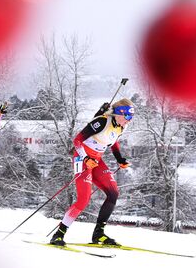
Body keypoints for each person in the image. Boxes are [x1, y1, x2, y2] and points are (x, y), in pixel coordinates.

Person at [50, 98, 134, 246]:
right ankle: (58, 234)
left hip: (96, 160)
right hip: (81, 158)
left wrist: (120, 159)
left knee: (113, 193)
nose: (128, 121)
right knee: (83, 199)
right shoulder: (102, 121)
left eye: (131, 118)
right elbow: (77, 141)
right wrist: (85, 158)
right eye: (127, 117)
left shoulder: (121, 126)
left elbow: (113, 141)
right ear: (119, 114)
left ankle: (98, 234)